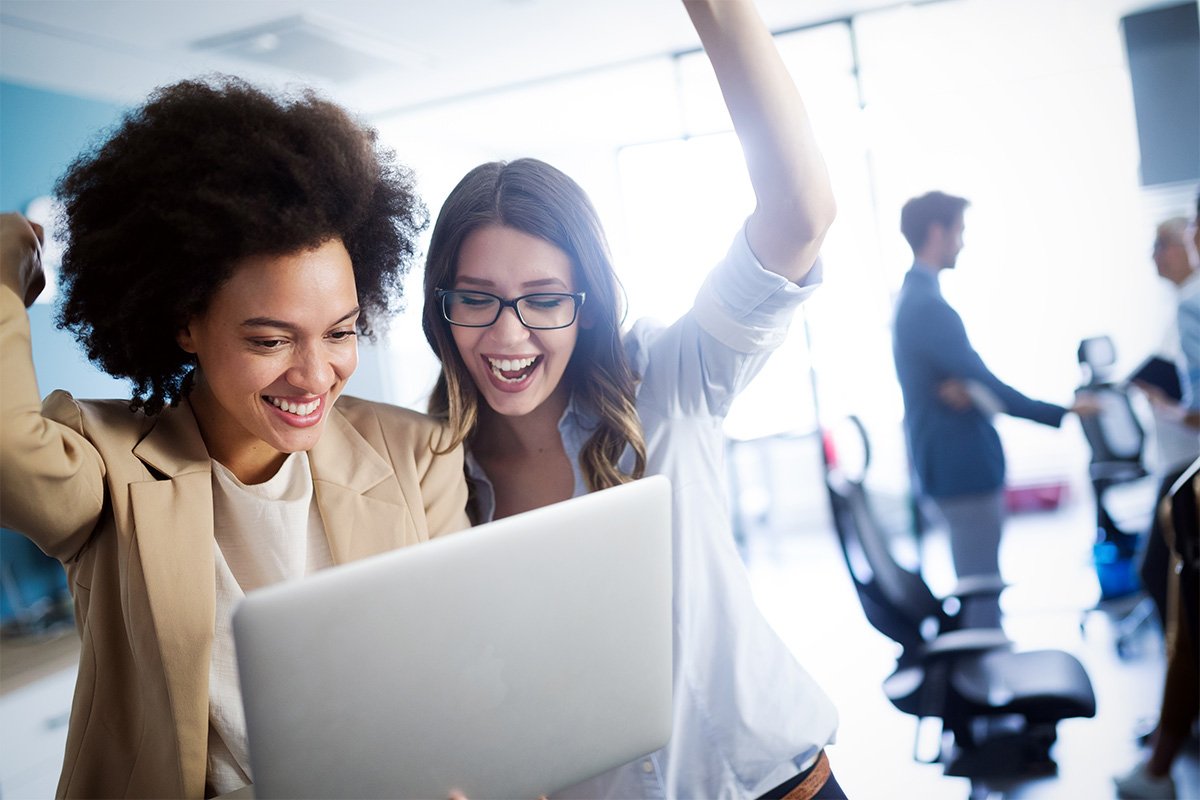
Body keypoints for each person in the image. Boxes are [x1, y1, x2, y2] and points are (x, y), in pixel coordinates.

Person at [0, 77, 470, 799]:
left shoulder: (417, 454)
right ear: (185, 321)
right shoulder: (108, 465)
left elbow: (462, 672)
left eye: (340, 332)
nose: (315, 375)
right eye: (271, 339)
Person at [421, 1, 843, 798]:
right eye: (476, 298)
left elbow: (801, 213)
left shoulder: (667, 378)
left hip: (773, 786)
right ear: (441, 306)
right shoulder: (429, 470)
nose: (508, 337)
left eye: (543, 298)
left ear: (587, 300)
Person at [890, 190, 1096, 630]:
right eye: (959, 232)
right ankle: (985, 688)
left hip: (953, 468)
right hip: (961, 470)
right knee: (981, 589)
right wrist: (1060, 411)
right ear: (936, 232)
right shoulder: (927, 306)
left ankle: (985, 679)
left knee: (980, 584)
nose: (962, 243)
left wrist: (969, 387)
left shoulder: (916, 299)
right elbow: (985, 383)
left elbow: (971, 384)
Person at [1115, 205, 1200, 800]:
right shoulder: (1180, 307)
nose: (1160, 255)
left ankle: (1163, 759)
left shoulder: (1192, 304)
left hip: (1188, 473)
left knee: (1173, 592)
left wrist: (1157, 399)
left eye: (1167, 242)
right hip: (1178, 467)